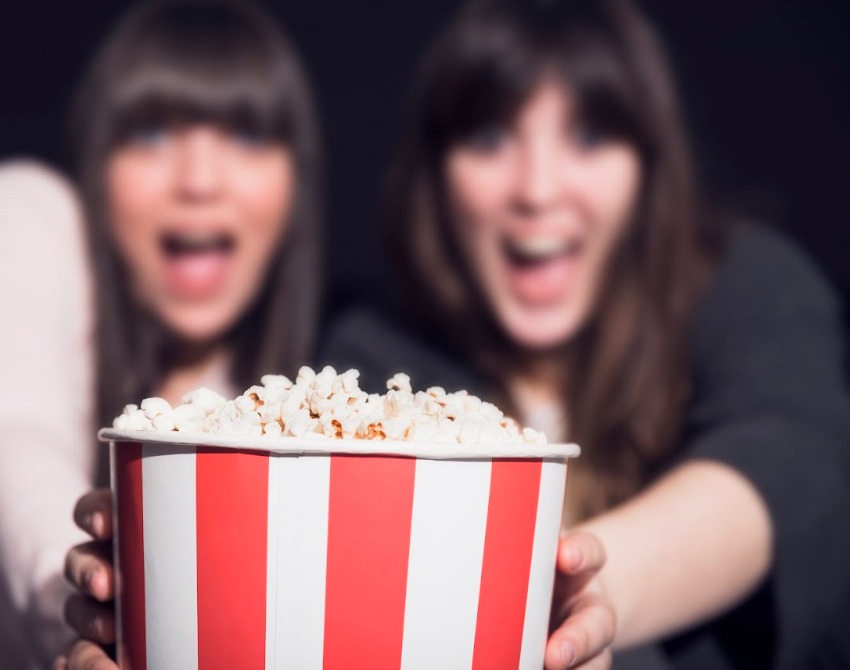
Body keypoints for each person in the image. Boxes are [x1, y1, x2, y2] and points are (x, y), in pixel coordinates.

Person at [326, 0, 850, 667]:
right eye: (489, 140)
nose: (538, 190)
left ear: (647, 165)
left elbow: (790, 461)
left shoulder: (749, 282)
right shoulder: (372, 358)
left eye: (590, 137)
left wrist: (576, 601)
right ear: (437, 175)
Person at [0, 1, 321, 667]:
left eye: (247, 137)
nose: (200, 181)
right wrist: (91, 606)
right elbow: (2, 442)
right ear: (96, 163)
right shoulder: (20, 216)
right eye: (150, 135)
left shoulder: (267, 405)